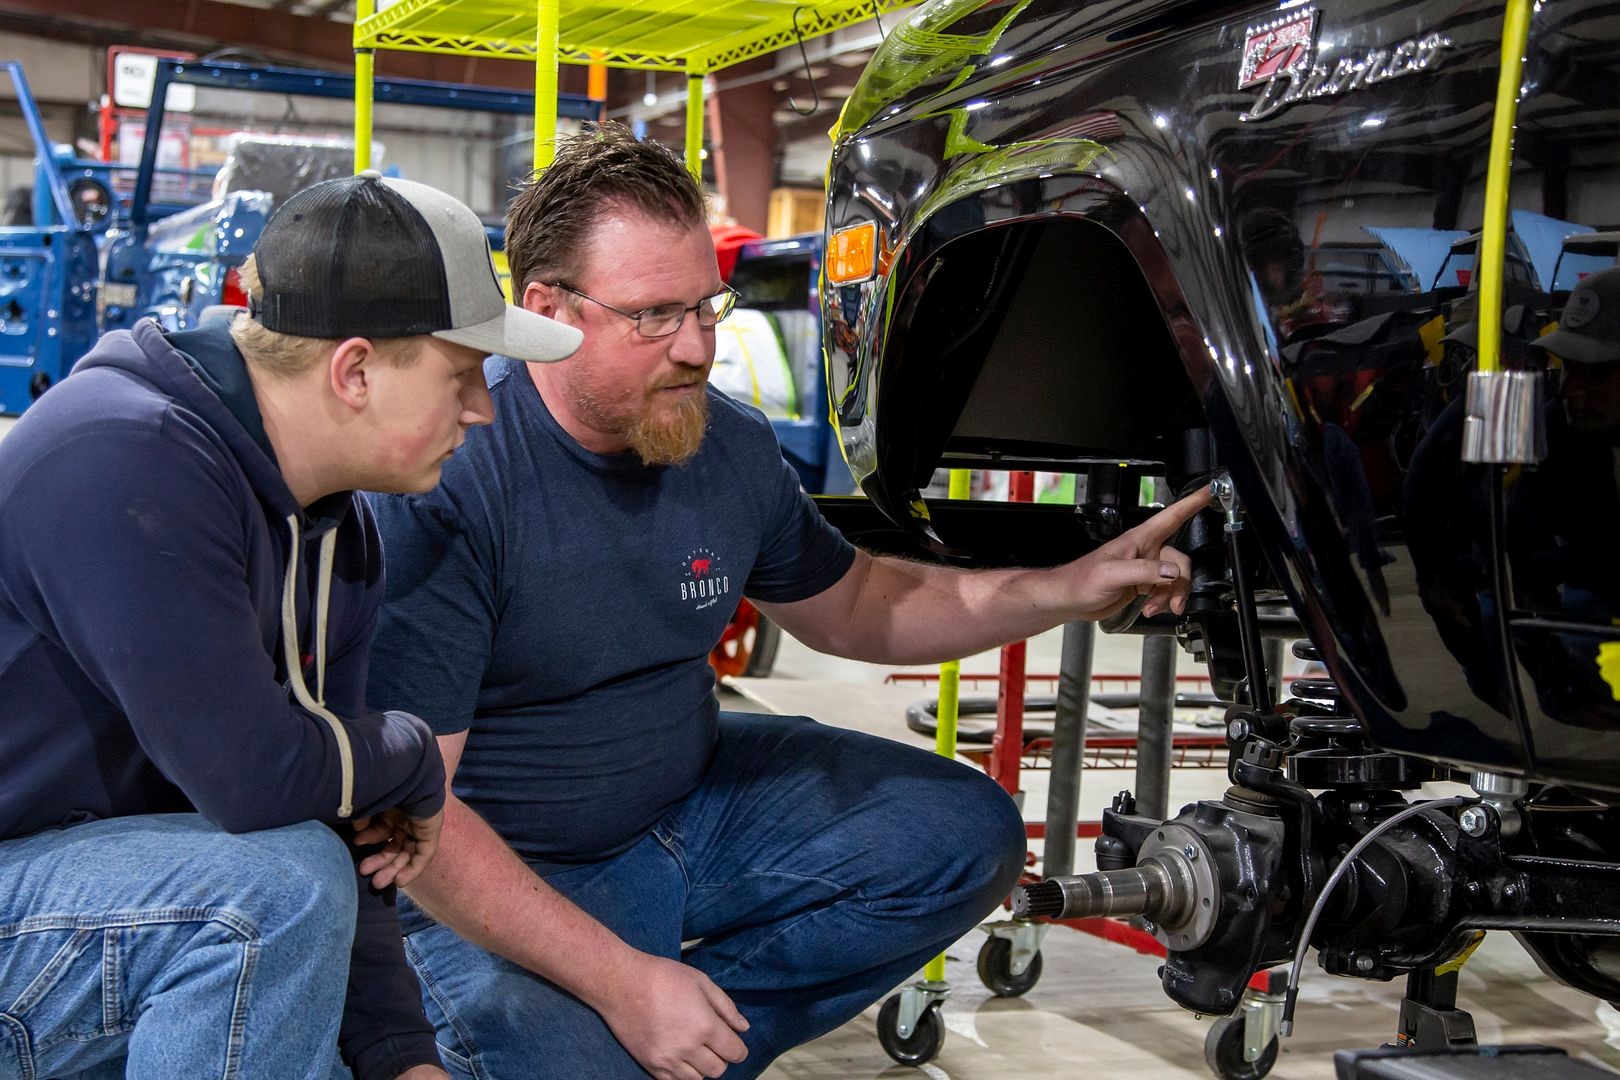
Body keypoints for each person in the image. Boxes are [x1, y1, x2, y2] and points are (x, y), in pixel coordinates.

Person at [367, 123, 1207, 1080]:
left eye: (707, 305)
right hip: (503, 872)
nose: (696, 347)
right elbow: (412, 819)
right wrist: (621, 984)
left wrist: (1066, 589)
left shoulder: (722, 445)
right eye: (653, 315)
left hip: (692, 810)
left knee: (963, 837)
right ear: (548, 308)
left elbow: (858, 604)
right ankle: (633, 1024)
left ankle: (696, 1041)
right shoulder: (457, 478)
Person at [0, 171, 581, 1079]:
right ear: (353, 370)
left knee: (297, 912)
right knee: (268, 896)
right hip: (23, 901)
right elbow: (256, 779)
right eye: (462, 375)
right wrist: (411, 752)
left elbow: (349, 819)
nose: (482, 408)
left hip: (85, 904)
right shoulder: (124, 456)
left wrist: (402, 1057)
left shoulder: (336, 532)